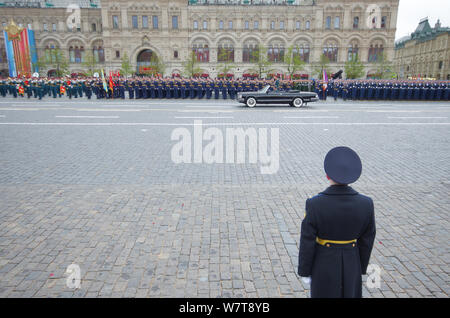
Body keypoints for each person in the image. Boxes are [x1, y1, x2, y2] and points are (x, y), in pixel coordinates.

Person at [298, 146, 376, 298]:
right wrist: (360, 265)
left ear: (327, 176)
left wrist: (305, 271)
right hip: (352, 261)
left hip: (323, 263)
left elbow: (307, 240)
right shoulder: (366, 203)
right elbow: (367, 238)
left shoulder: (314, 204)